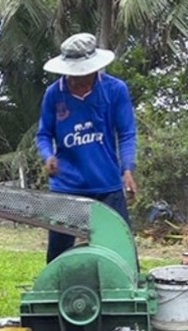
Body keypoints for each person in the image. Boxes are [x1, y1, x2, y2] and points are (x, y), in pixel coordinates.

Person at [36, 32, 138, 263]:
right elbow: (43, 134)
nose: (76, 80)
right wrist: (47, 155)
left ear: (94, 68)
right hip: (66, 187)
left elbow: (126, 133)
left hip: (107, 186)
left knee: (122, 252)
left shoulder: (115, 90)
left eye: (81, 74)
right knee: (57, 256)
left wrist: (128, 169)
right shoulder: (54, 94)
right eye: (71, 74)